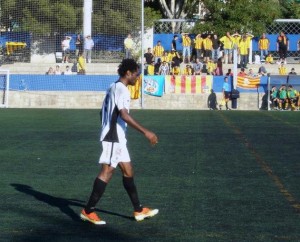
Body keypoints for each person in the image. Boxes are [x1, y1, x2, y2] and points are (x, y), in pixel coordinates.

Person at [80, 59, 159, 225]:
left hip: (118, 137)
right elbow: (124, 114)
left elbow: (102, 111)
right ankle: (88, 211)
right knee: (107, 172)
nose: (137, 77)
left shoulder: (113, 86)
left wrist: (106, 124)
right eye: (136, 74)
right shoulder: (121, 89)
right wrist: (146, 132)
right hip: (113, 137)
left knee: (128, 171)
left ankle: (138, 210)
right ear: (128, 73)